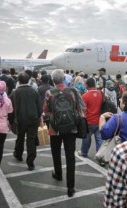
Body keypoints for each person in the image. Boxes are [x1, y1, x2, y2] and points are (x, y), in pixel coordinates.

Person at [44, 69, 85, 197]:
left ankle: (58, 174)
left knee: (56, 152)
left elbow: (46, 111)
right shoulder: (73, 91)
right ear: (64, 79)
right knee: (70, 156)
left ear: (53, 80)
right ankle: (71, 187)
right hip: (71, 127)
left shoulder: (49, 93)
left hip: (55, 128)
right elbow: (81, 107)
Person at [10, 72, 42, 171]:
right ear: (28, 80)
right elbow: (40, 108)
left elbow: (11, 109)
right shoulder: (34, 91)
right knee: (31, 140)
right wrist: (38, 117)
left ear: (18, 81)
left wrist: (11, 121)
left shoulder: (14, 92)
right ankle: (30, 162)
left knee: (20, 137)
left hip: (20, 120)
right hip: (33, 119)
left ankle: (18, 154)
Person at [79, 78, 103, 158]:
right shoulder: (100, 93)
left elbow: (83, 109)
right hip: (99, 120)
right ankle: (100, 156)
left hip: (89, 121)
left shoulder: (85, 96)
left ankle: (84, 152)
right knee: (99, 139)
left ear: (86, 85)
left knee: (86, 138)